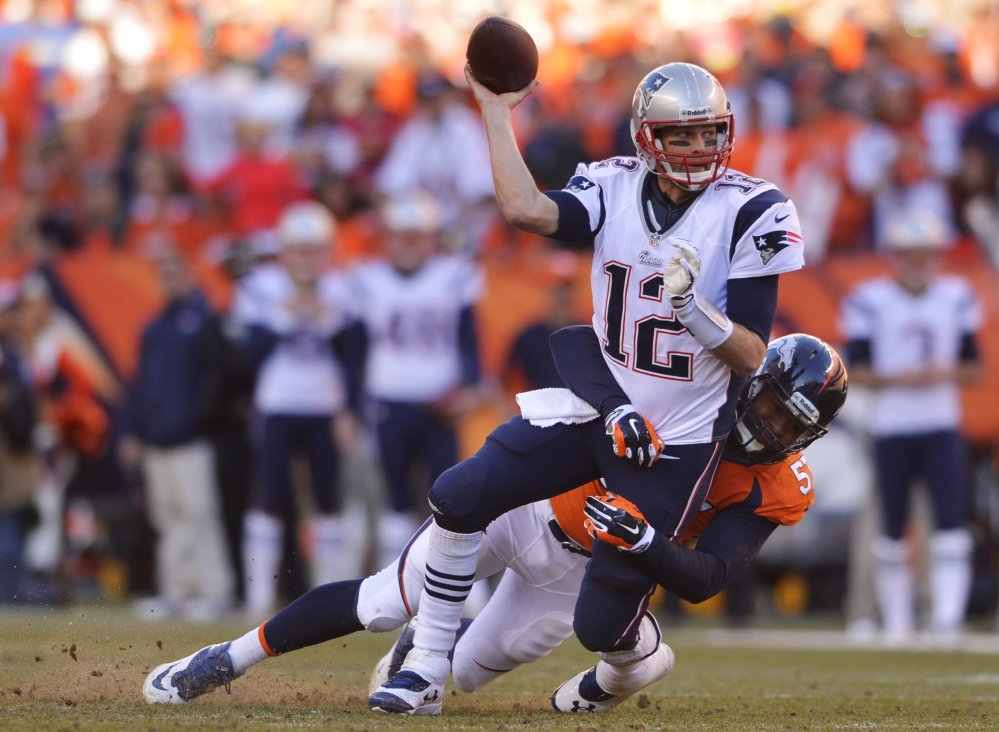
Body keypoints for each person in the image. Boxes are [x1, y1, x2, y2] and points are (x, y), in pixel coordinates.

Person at [367, 61, 807, 713]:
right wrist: (494, 111)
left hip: (680, 437)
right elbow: (524, 209)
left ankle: (629, 660)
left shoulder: (752, 208)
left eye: (708, 132)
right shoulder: (611, 184)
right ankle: (425, 662)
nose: (697, 148)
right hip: (604, 411)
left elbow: (750, 353)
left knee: (600, 626)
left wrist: (694, 312)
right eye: (679, 136)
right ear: (644, 137)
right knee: (458, 495)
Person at [142, 333, 847, 713]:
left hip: (584, 573)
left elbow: (710, 575)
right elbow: (575, 344)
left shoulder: (775, 484)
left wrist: (646, 542)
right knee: (386, 600)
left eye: (791, 422)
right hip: (531, 509)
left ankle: (640, 651)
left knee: (471, 676)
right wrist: (616, 410)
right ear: (749, 383)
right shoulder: (692, 392)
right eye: (770, 404)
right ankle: (224, 659)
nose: (769, 425)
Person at [840, 210, 982, 645]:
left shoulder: (956, 295)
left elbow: (974, 367)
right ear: (895, 256)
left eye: (925, 254)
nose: (918, 262)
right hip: (891, 426)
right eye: (909, 253)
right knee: (890, 527)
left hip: (940, 423)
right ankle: (896, 624)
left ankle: (946, 619)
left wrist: (941, 373)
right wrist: (897, 379)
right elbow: (853, 371)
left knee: (950, 525)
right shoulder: (870, 298)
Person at [231, 201, 363, 620]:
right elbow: (245, 357)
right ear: (285, 250)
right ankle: (256, 601)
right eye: (299, 250)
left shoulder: (343, 290)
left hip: (324, 405)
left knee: (328, 500)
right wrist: (282, 319)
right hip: (278, 403)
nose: (307, 261)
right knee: (268, 498)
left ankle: (328, 599)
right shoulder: (261, 286)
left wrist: (350, 409)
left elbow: (355, 358)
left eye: (315, 250)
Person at [348, 190, 484, 568]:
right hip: (388, 399)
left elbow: (470, 339)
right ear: (387, 237)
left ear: (431, 238)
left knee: (451, 495)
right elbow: (355, 354)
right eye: (400, 235)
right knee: (396, 496)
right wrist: (351, 408)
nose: (408, 245)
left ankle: (458, 579)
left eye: (416, 236)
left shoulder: (454, 275)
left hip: (441, 401)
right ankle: (397, 578)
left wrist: (470, 386)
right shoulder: (368, 280)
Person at [121, 249, 234, 620]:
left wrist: (200, 419)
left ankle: (212, 589)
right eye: (164, 273)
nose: (170, 280)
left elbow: (217, 378)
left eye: (176, 271)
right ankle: (176, 589)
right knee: (167, 516)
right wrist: (134, 431)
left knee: (198, 513)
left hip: (189, 437)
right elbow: (141, 384)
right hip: (157, 438)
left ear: (190, 275)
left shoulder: (203, 320)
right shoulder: (153, 326)